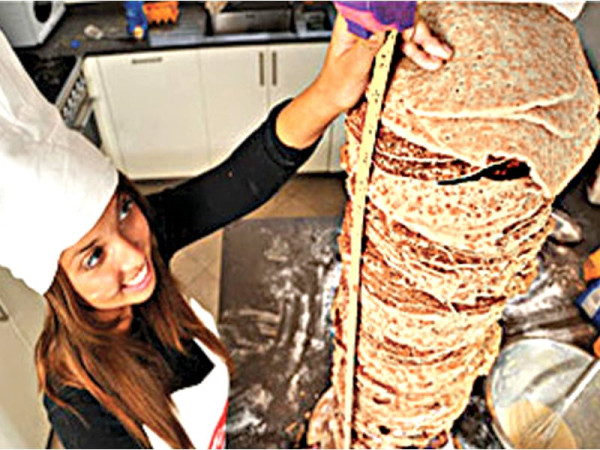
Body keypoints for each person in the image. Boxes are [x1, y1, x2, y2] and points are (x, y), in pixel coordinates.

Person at [0, 10, 452, 450]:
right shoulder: (78, 406)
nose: (135, 255)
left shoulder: (148, 237)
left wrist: (331, 90)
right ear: (56, 281)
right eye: (93, 256)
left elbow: (243, 179)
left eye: (123, 209)